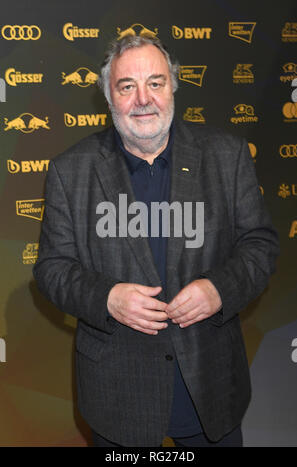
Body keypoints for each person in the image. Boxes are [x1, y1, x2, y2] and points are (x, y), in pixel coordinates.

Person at [33, 34, 279, 447]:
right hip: (119, 391)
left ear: (173, 87)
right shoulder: (69, 172)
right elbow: (51, 269)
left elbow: (260, 245)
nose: (143, 99)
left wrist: (220, 289)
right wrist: (107, 298)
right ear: (109, 97)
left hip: (210, 385)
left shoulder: (227, 155)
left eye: (156, 82)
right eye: (127, 86)